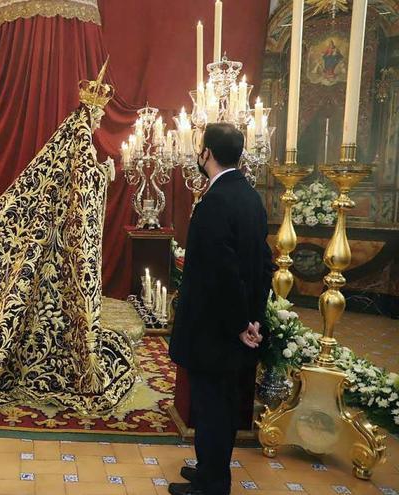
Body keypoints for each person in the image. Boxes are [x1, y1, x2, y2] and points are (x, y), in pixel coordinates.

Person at [168, 123, 275, 495]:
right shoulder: (250, 197)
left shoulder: (215, 202)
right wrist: (255, 319)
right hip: (236, 326)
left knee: (212, 406)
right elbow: (264, 263)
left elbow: (222, 273)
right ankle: (209, 469)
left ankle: (213, 485)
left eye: (199, 148)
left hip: (215, 329)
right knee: (221, 402)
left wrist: (238, 324)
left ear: (207, 153)